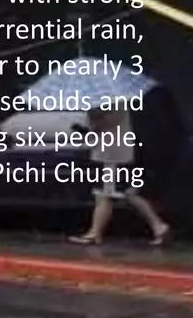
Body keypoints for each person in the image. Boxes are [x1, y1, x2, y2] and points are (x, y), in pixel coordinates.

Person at [72, 104, 172, 247]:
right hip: (114, 153)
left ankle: (94, 234)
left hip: (113, 155)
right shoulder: (111, 102)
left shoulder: (114, 103)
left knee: (105, 195)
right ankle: (160, 227)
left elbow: (107, 122)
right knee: (128, 194)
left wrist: (93, 118)